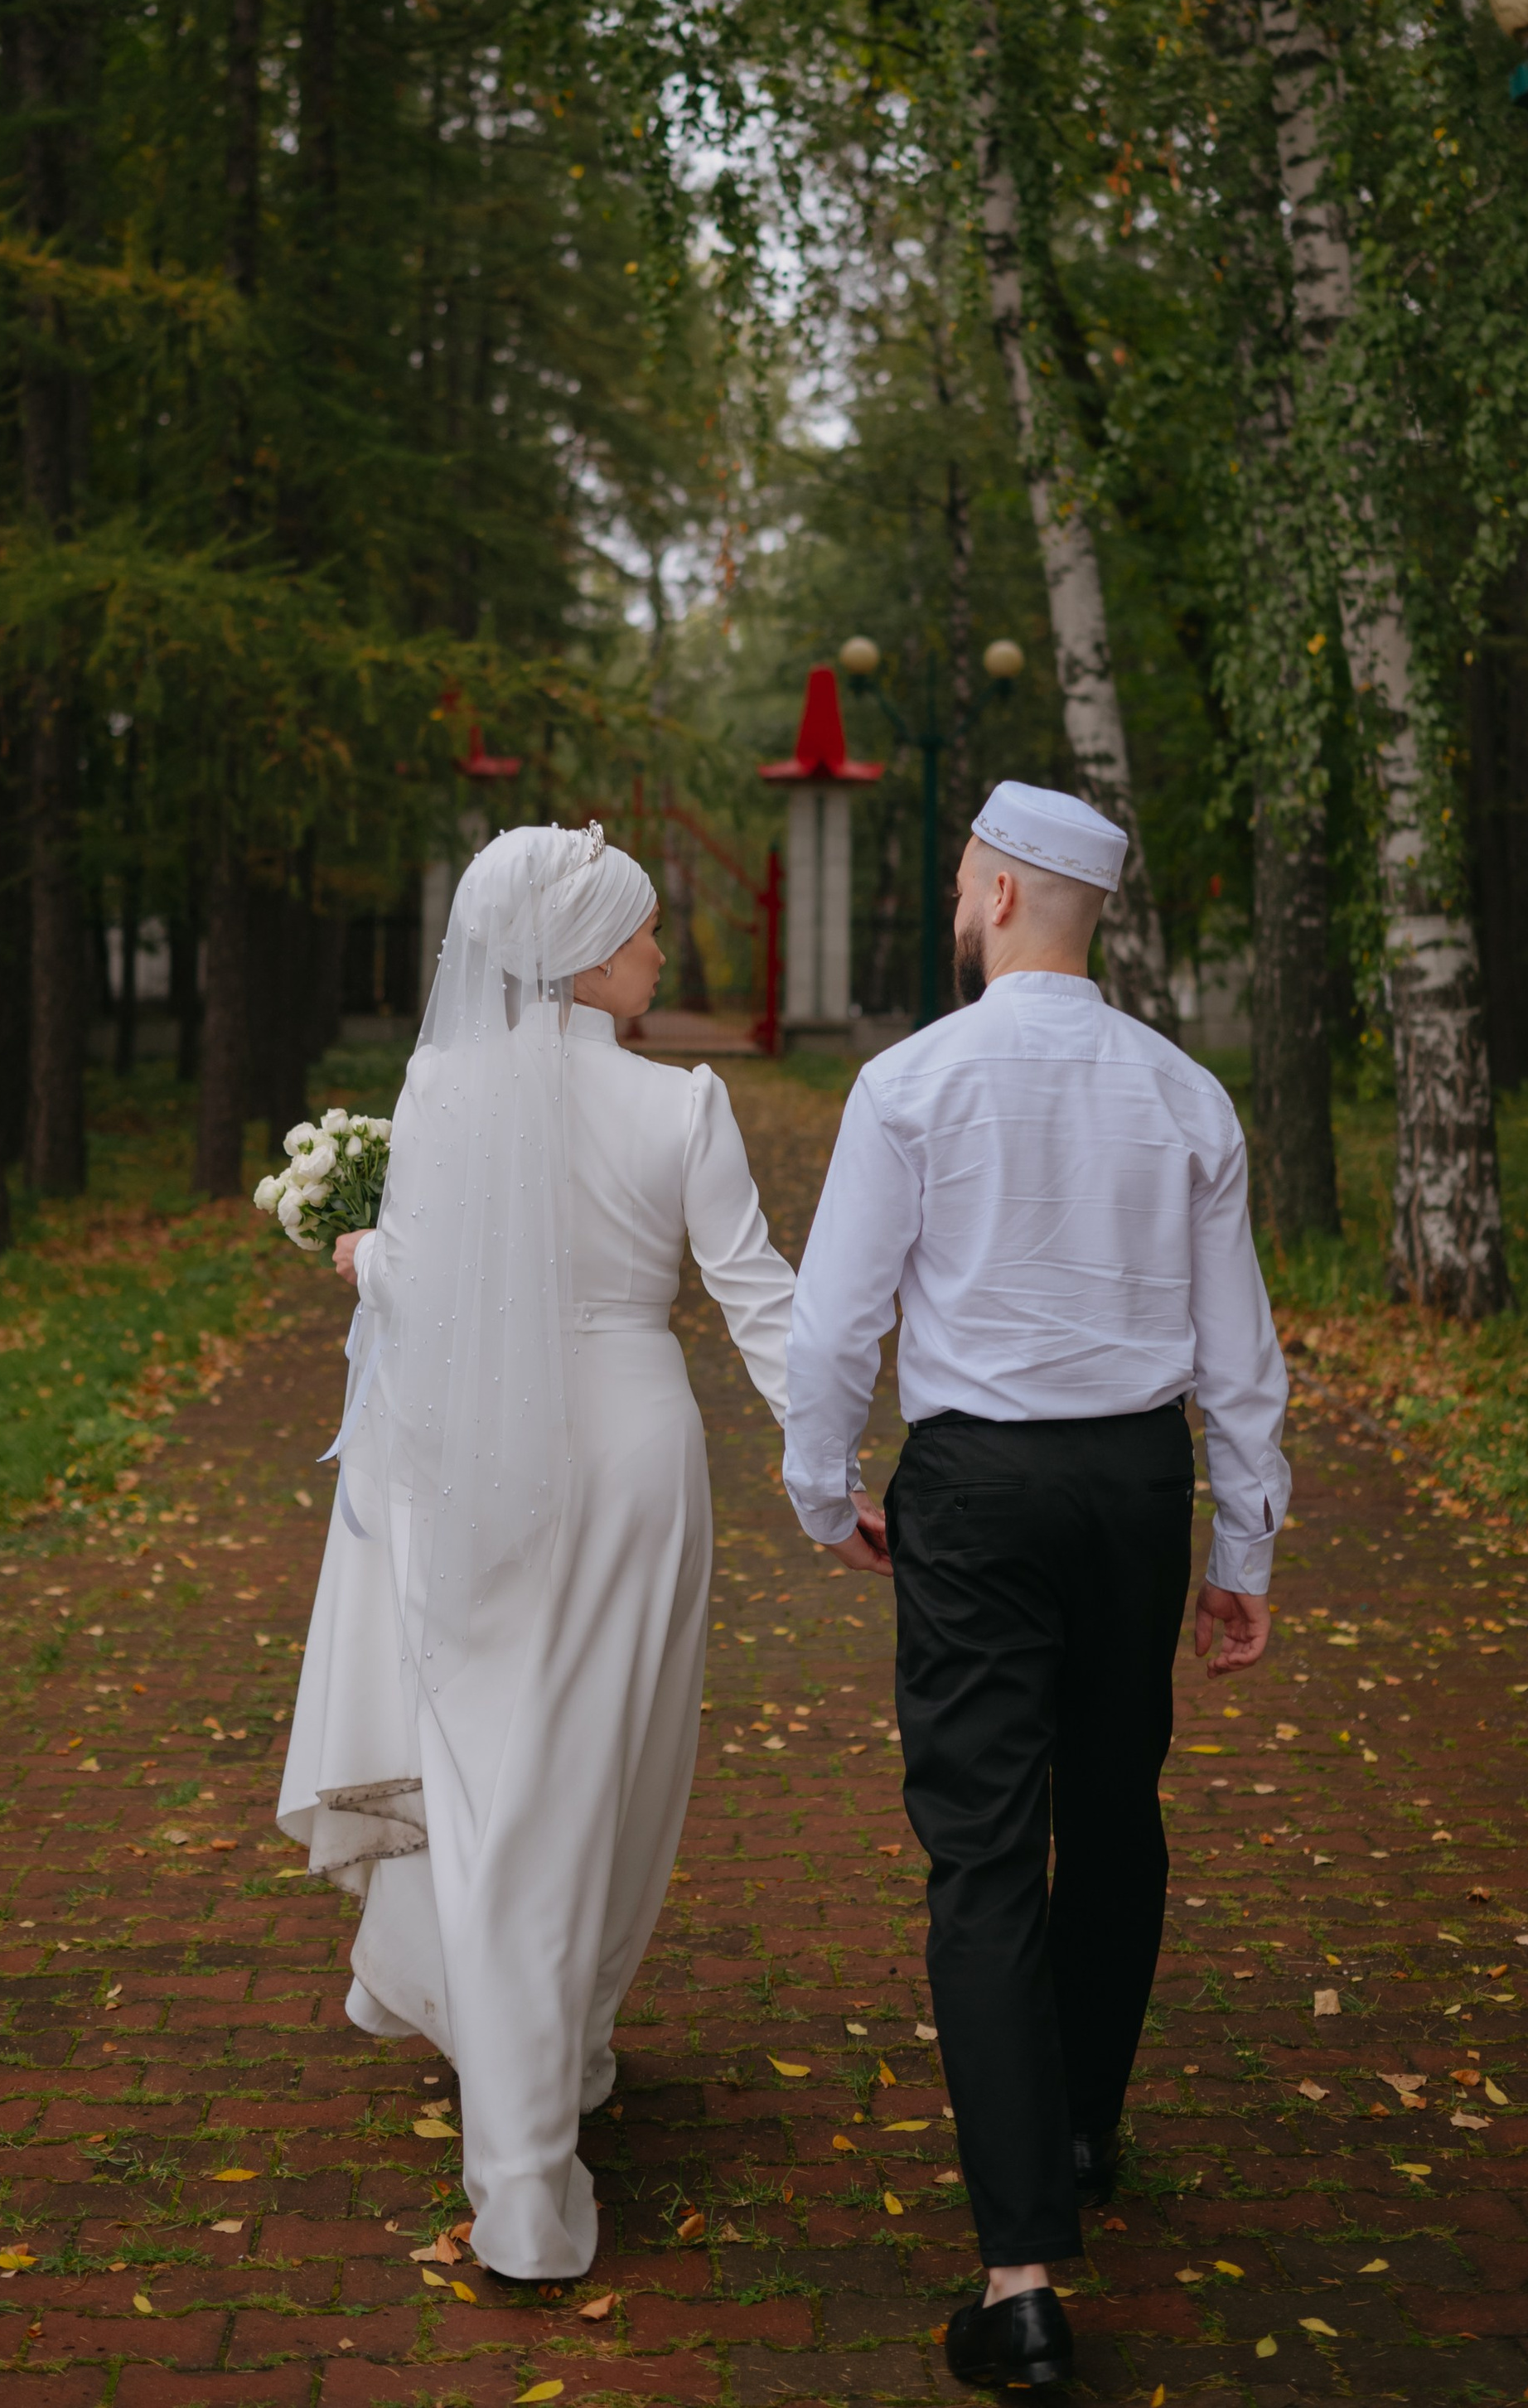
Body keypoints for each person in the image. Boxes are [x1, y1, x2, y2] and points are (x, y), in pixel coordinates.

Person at [781, 781, 1290, 2394]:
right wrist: (1241, 1547)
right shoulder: (1184, 1093)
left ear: (998, 896)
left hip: (978, 1490)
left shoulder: (910, 1084)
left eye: (956, 877)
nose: (954, 895)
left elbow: (835, 1321)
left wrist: (818, 1491)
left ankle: (1016, 2278)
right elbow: (1240, 1352)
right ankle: (1075, 2122)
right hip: (1134, 1485)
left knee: (983, 1848)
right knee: (1114, 1805)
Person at [277, 822, 796, 2283]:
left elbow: (427, 1286)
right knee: (618, 1770)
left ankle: (537, 2101)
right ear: (579, 953)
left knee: (500, 1780)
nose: (658, 956)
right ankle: (535, 2123)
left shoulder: (447, 1086)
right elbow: (763, 1307)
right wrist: (834, 1471)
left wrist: (365, 1258)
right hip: (636, 1457)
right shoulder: (683, 1107)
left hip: (481, 1468)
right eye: (640, 934)